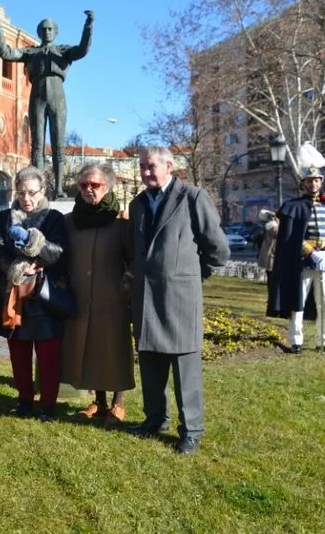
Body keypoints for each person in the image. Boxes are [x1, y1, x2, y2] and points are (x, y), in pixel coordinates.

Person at [128, 146, 229, 455]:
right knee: (150, 363)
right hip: (146, 297)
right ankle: (155, 419)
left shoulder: (193, 197)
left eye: (151, 166)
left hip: (180, 298)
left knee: (186, 371)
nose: (146, 172)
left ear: (169, 165)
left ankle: (191, 430)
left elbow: (218, 249)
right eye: (142, 167)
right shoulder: (138, 204)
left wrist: (192, 277)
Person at [0, 166, 70, 422]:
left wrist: (38, 254)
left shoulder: (54, 218)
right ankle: (24, 400)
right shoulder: (5, 217)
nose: (27, 198)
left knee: (48, 355)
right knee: (18, 352)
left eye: (32, 192)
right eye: (21, 192)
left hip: (44, 296)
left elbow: (60, 252)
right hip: (13, 294)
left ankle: (47, 406)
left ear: (42, 191)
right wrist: (13, 268)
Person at [61, 163, 135, 425]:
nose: (88, 189)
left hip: (112, 296)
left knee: (114, 348)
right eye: (83, 185)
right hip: (80, 295)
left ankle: (118, 403)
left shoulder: (122, 221)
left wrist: (125, 287)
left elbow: (134, 259)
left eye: (95, 185)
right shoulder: (70, 222)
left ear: (108, 186)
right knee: (89, 347)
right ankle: (99, 402)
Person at [0, 10, 94, 197]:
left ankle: (59, 189)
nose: (47, 32)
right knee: (37, 144)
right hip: (37, 96)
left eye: (50, 29)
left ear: (55, 32)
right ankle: (39, 189)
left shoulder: (63, 51)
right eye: (44, 29)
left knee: (58, 144)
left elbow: (82, 49)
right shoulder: (31, 52)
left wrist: (88, 26)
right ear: (39, 33)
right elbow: (6, 52)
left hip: (57, 97)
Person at [267, 143, 325, 356]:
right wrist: (310, 252)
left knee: (324, 302)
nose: (314, 184)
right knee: (298, 300)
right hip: (303, 261)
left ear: (321, 182)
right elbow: (291, 235)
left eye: (317, 180)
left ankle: (324, 342)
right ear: (303, 183)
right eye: (309, 180)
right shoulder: (293, 206)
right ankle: (296, 340)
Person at [257, 209, 279, 281]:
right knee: (271, 273)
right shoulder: (273, 226)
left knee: (269, 273)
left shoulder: (269, 225)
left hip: (268, 251)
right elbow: (277, 234)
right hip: (271, 251)